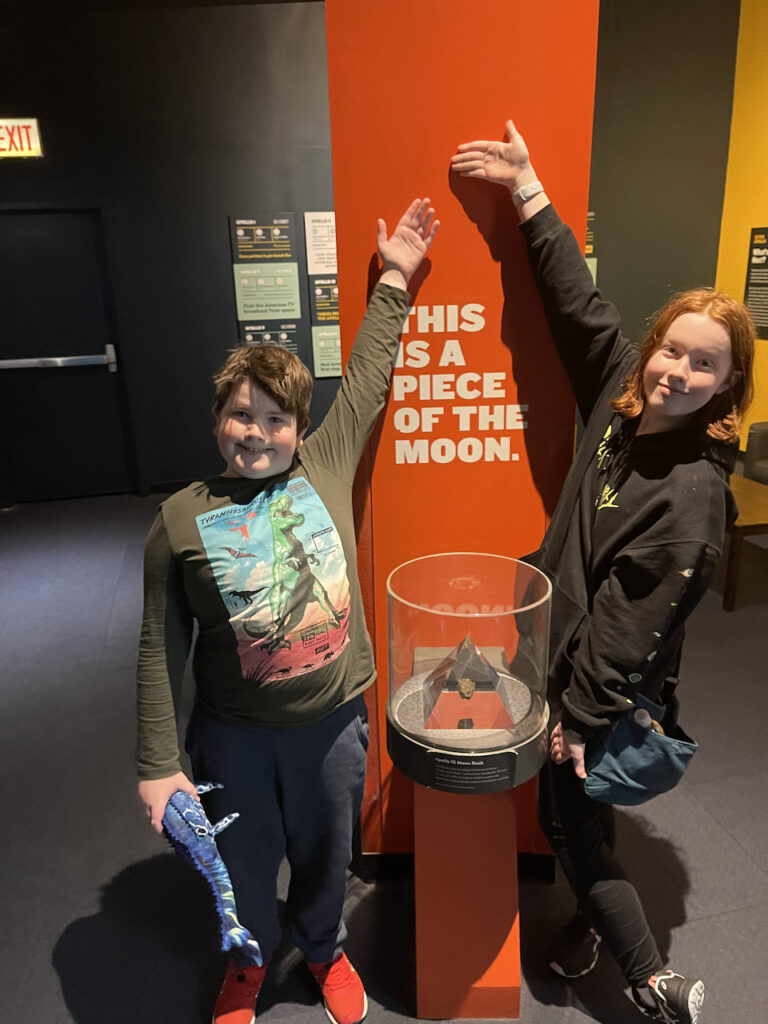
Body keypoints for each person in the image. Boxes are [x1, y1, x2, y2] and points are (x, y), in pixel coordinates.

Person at [451, 120, 754, 1024]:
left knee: (568, 822)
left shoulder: (695, 494)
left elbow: (633, 625)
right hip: (568, 657)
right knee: (585, 815)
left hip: (603, 683)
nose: (679, 370)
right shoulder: (625, 408)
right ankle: (591, 921)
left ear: (728, 387)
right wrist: (528, 190)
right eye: (673, 349)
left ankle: (653, 986)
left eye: (706, 364)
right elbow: (579, 308)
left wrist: (579, 718)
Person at [136, 198, 439, 1024]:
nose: (256, 432)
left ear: (302, 430)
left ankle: (325, 947)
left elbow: (370, 374)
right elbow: (159, 647)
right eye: (241, 414)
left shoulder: (328, 464)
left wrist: (398, 278)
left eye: (275, 419)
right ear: (217, 420)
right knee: (242, 855)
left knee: (324, 851)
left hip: (333, 723)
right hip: (233, 732)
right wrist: (160, 762)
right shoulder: (180, 517)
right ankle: (247, 960)